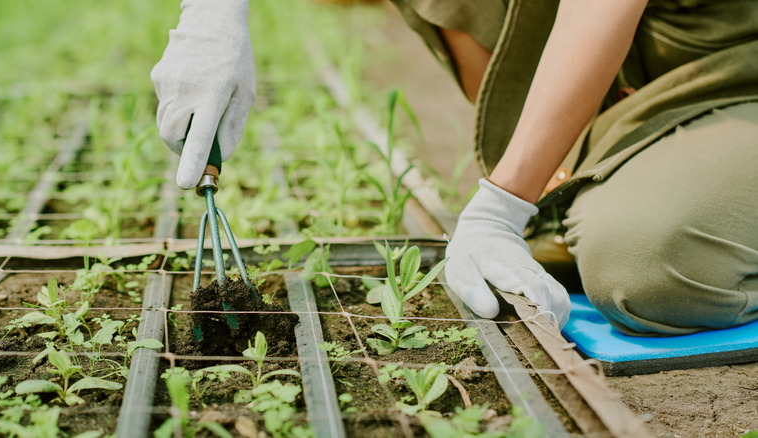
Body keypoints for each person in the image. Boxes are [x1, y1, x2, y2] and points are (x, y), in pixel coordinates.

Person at [151, 0, 758, 336]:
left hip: (735, 74)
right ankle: (576, 162)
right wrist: (214, 15)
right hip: (638, 88)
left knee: (646, 267)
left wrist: (501, 207)